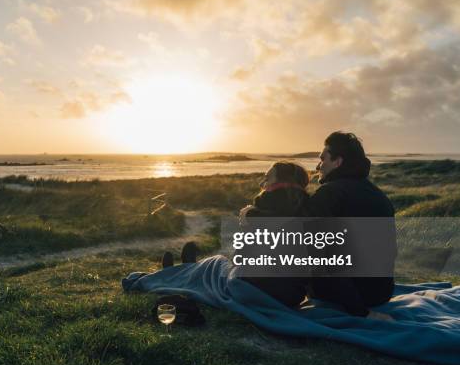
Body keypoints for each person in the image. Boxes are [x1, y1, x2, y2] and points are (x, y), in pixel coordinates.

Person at [163, 161, 310, 308]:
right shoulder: (309, 210)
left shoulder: (262, 214)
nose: (261, 183)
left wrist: (248, 222)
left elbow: (241, 260)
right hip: (292, 296)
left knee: (215, 264)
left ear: (281, 183)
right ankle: (186, 268)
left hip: (257, 291)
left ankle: (175, 273)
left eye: (267, 178)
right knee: (217, 268)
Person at [305, 131, 396, 320]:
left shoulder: (328, 194)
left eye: (323, 159)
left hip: (343, 296)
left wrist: (360, 312)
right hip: (380, 294)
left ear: (338, 162)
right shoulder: (378, 195)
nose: (318, 166)